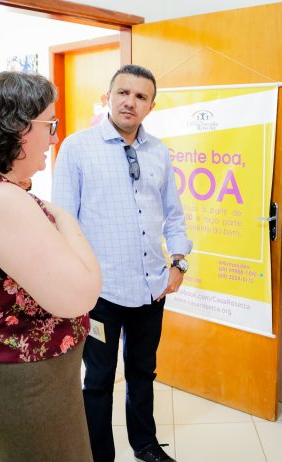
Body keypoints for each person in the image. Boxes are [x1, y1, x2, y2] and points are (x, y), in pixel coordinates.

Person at [0, 71, 102, 462]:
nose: (54, 138)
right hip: (27, 383)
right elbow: (81, 295)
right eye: (50, 125)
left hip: (3, 372)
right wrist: (64, 218)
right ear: (17, 127)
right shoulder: (2, 199)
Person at [52, 64, 192, 462]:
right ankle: (100, 456)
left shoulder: (158, 151)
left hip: (151, 287)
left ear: (151, 106)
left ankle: (145, 444)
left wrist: (179, 264)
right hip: (100, 293)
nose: (131, 102)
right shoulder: (77, 148)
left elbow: (174, 214)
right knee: (97, 380)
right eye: (123, 93)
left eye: (141, 96)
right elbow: (64, 221)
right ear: (108, 97)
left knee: (143, 373)